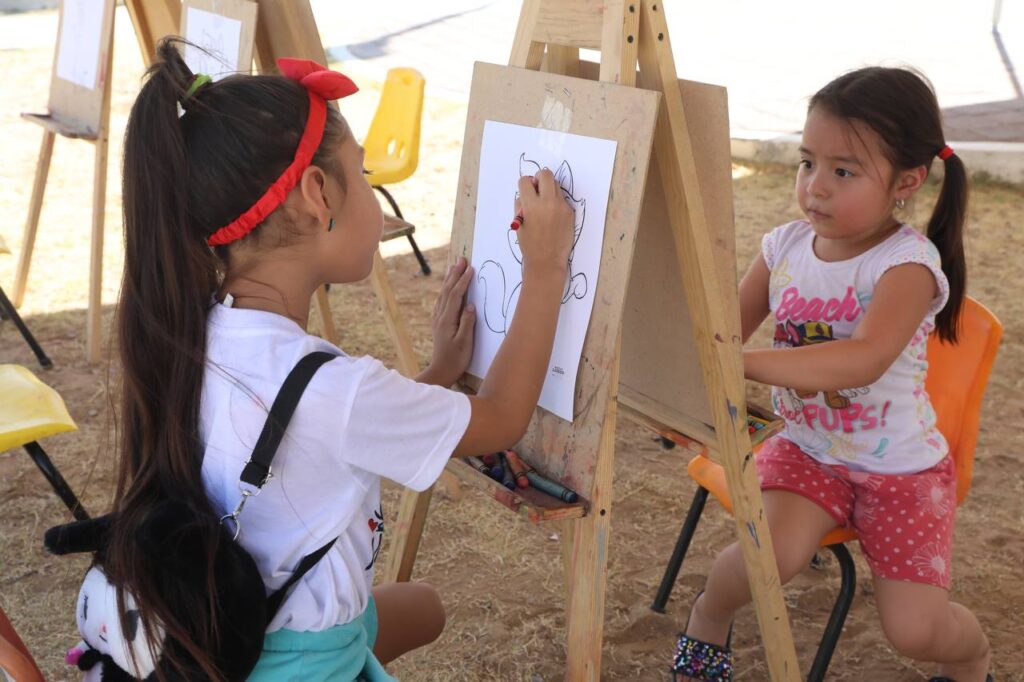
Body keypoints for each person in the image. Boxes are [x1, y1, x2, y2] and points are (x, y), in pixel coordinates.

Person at [105, 39, 575, 680]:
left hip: (225, 631)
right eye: (367, 177)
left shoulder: (196, 330)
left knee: (426, 609)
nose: (378, 202)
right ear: (318, 193)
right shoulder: (336, 391)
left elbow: (310, 440)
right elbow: (503, 417)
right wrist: (546, 267)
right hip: (301, 664)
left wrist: (437, 376)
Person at [671, 67, 992, 682]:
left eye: (842, 171)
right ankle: (708, 618)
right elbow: (717, 332)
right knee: (765, 560)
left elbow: (860, 359)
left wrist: (736, 364)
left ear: (907, 182)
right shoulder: (784, 248)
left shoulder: (907, 265)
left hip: (900, 469)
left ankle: (974, 658)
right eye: (806, 161)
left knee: (915, 632)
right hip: (807, 450)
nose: (815, 187)